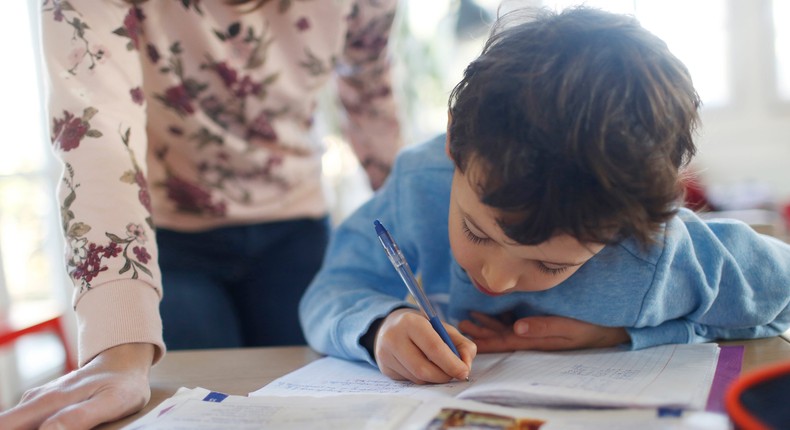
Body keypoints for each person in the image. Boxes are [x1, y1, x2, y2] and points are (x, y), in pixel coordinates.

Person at [298, 6, 790, 384]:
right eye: (476, 230)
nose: (496, 277)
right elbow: (330, 291)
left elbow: (781, 303)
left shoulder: (657, 253)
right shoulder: (420, 182)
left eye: (551, 265)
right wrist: (379, 325)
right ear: (455, 143)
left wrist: (628, 334)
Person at [0, 0, 401, 428]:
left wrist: (416, 252)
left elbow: (371, 94)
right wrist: (118, 345)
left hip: (297, 230)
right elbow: (97, 135)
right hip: (167, 240)